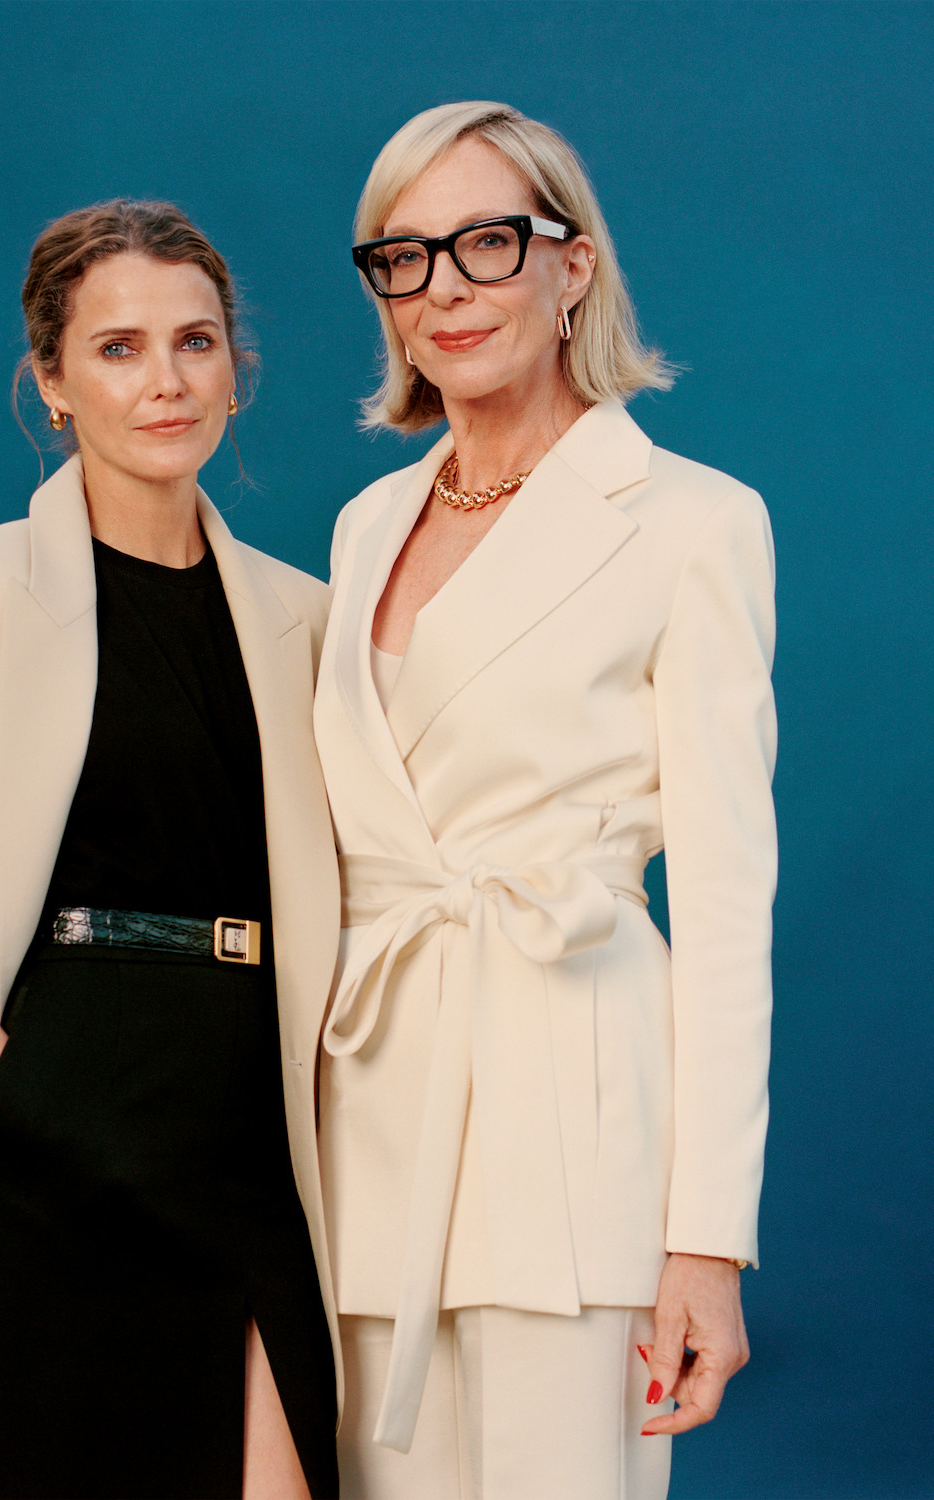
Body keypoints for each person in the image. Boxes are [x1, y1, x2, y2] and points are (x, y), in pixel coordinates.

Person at [0, 200, 341, 1500]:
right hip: (50, 1139)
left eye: (196, 342)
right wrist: (25, 1100)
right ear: (50, 381)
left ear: (235, 370)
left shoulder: (308, 619)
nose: (166, 381)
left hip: (250, 1134)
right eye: (119, 348)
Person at [312, 102, 776, 1499]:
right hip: (370, 1114)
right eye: (405, 257)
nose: (445, 288)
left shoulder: (694, 520)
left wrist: (706, 1239)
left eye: (488, 243)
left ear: (572, 266)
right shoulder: (366, 524)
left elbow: (728, 902)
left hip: (574, 1134)